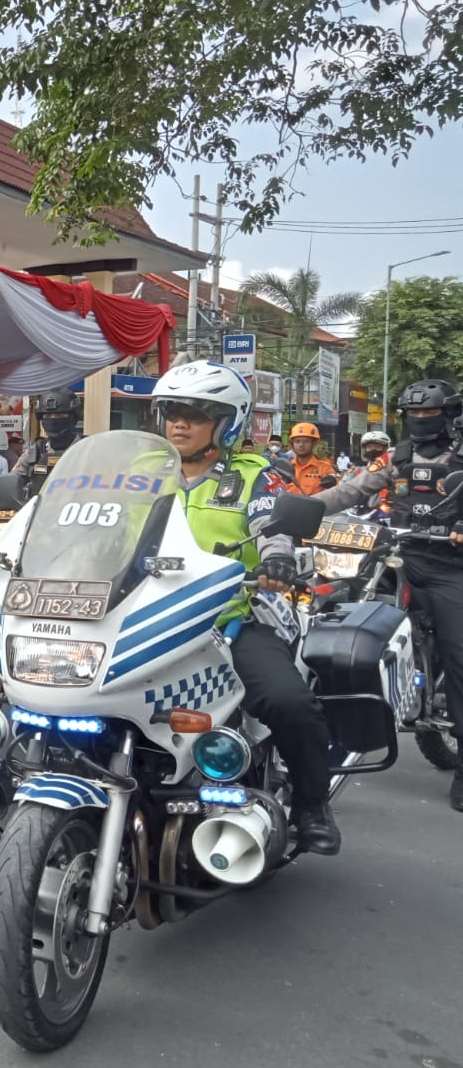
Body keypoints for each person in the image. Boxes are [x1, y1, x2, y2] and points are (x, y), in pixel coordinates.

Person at [149, 362, 340, 853]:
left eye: (197, 413)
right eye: (172, 411)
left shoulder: (253, 477)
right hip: (140, 622)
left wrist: (277, 559)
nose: (180, 424)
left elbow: (274, 525)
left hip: (226, 620)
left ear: (227, 421)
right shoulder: (139, 475)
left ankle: (312, 805)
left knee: (287, 701)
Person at [312, 380, 463, 812]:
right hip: (400, 555)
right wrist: (301, 509)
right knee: (346, 616)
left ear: (448, 416)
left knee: (459, 655)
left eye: (428, 415)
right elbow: (351, 491)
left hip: (452, 566)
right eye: (413, 416)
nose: (420, 423)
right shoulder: (395, 458)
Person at [14, 389, 84, 494]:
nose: (53, 419)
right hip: (41, 508)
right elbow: (12, 481)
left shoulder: (88, 449)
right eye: (47, 416)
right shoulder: (35, 452)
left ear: (73, 418)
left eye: (60, 415)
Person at [286, 422, 336, 495]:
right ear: (292, 444)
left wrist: (332, 482)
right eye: (297, 441)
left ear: (314, 444)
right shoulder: (285, 468)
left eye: (306, 441)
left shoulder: (325, 469)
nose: (301, 445)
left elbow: (335, 493)